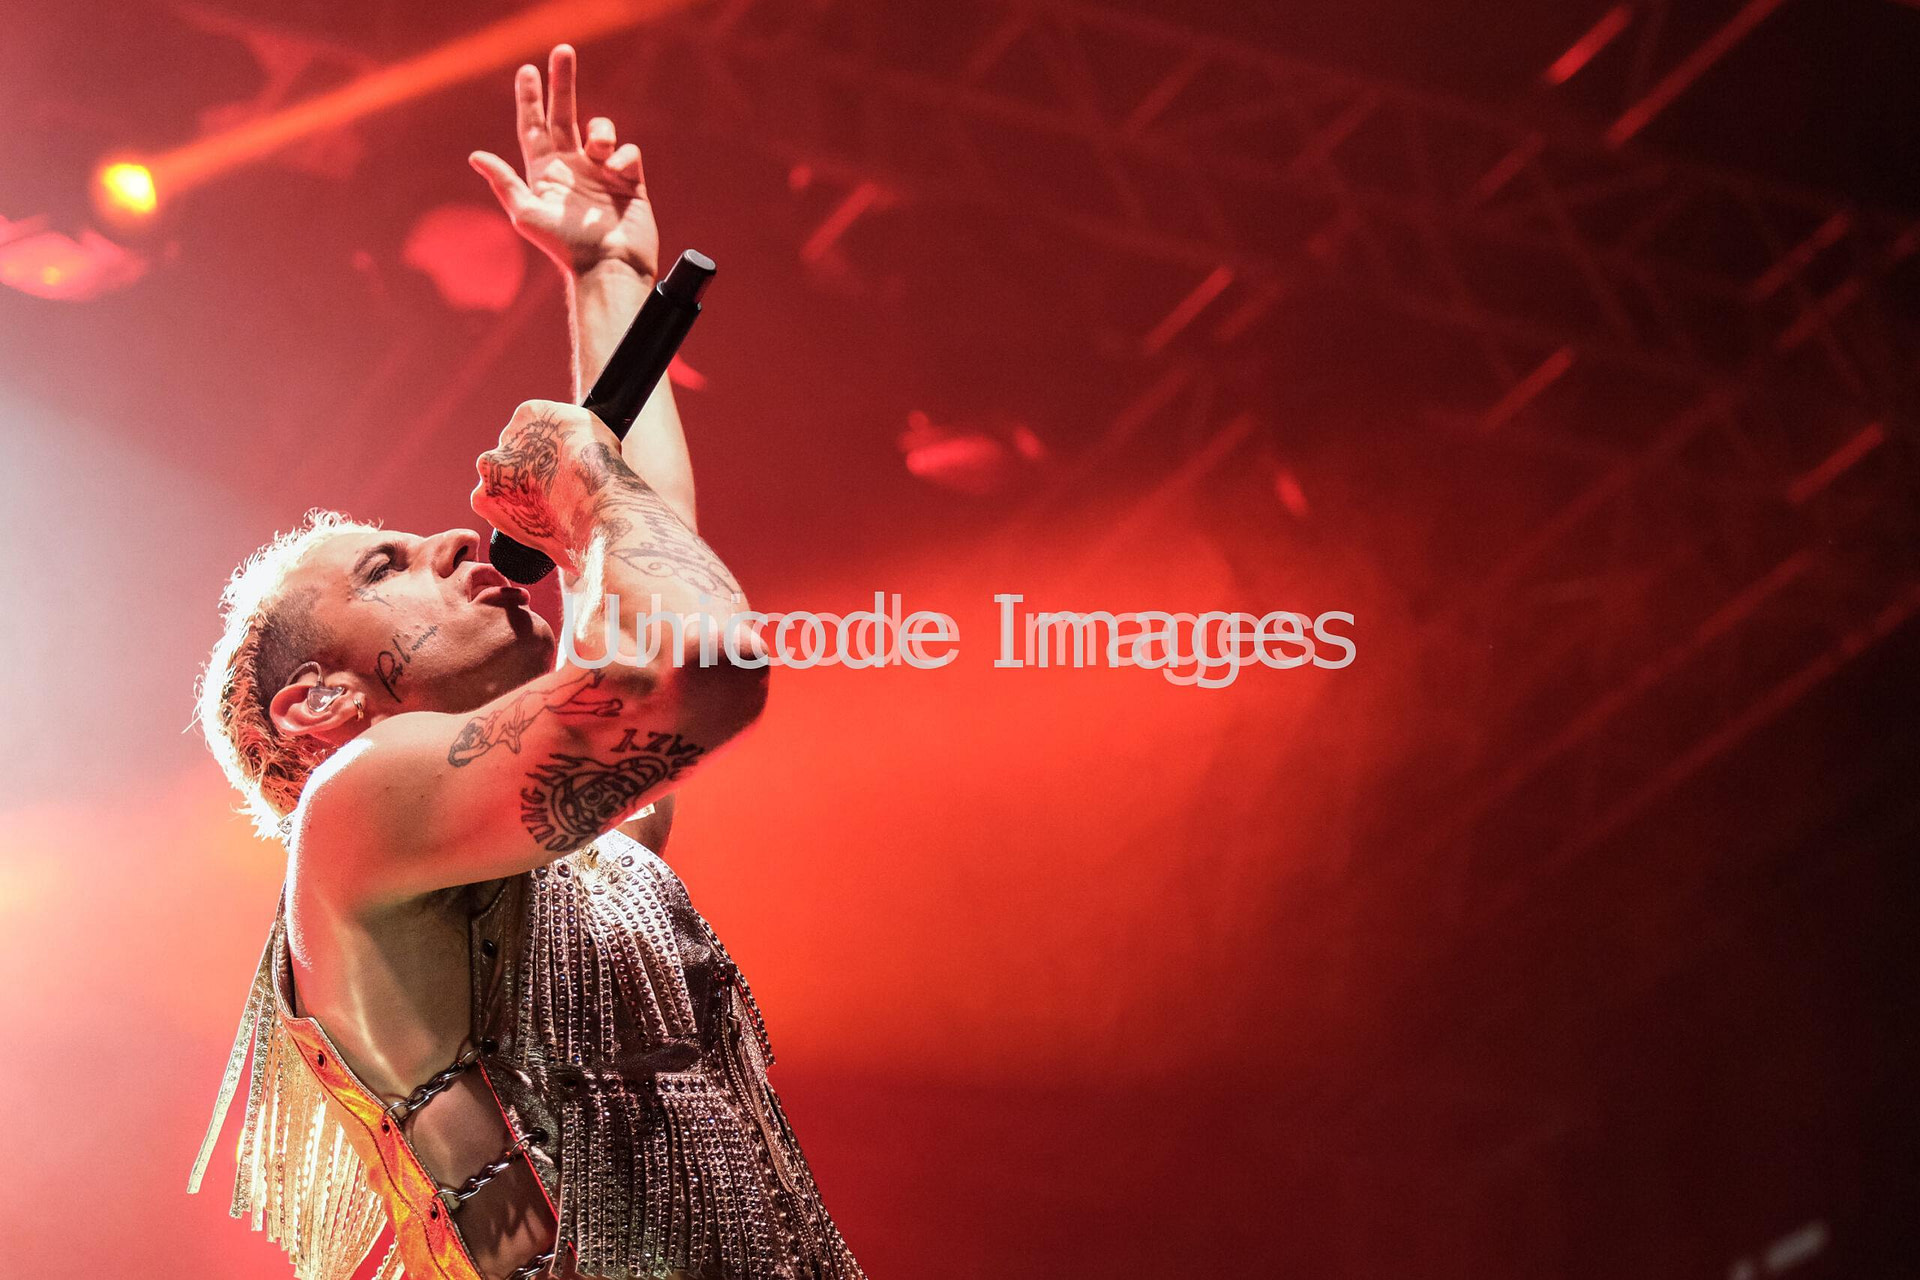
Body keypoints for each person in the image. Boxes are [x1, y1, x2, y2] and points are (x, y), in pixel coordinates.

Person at [188, 45, 866, 1280]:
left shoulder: (577, 847)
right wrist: (579, 477)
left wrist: (607, 271)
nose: (453, 541)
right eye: (387, 566)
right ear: (317, 700)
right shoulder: (356, 811)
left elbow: (660, 560)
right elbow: (695, 658)